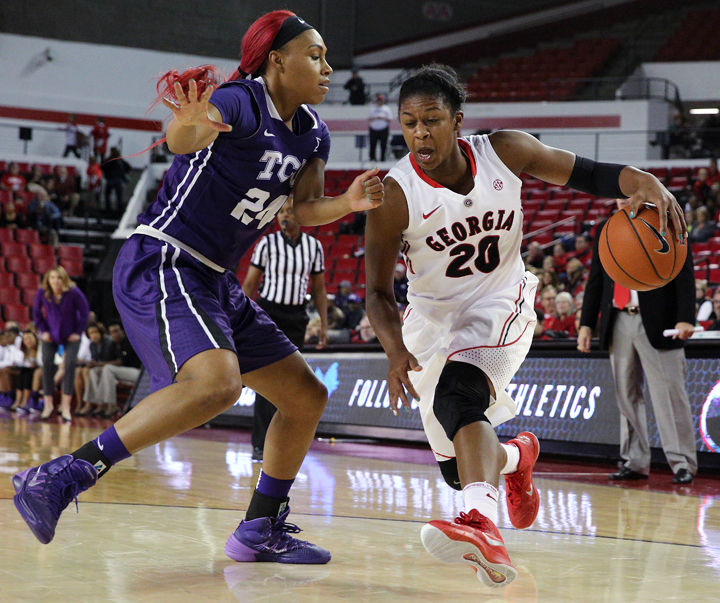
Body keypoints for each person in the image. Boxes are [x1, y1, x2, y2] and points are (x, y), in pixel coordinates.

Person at [12, 10, 382, 565]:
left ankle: (259, 527)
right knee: (216, 383)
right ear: (278, 60)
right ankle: (62, 474)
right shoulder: (241, 100)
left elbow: (302, 210)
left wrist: (348, 204)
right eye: (316, 55)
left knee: (306, 396)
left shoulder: (314, 132)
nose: (328, 67)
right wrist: (189, 120)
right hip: (164, 259)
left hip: (214, 279)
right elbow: (183, 138)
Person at [364, 64, 685, 588]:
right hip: (430, 320)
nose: (420, 132)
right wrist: (395, 349)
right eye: (409, 122)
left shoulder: (504, 151)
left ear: (457, 121)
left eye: (432, 120)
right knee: (457, 467)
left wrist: (639, 179)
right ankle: (518, 457)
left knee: (457, 399)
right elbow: (377, 292)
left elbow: (584, 172)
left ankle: (482, 525)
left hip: (500, 303)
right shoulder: (395, 193)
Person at [577, 198, 697, 485]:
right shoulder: (607, 229)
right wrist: (586, 323)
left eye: (628, 194)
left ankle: (682, 463)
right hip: (618, 319)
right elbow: (596, 278)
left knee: (669, 396)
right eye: (618, 195)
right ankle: (634, 461)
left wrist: (686, 317)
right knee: (626, 396)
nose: (622, 200)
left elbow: (684, 272)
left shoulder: (666, 223)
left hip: (660, 320)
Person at [241, 196, 328, 461]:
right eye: (280, 212)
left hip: (296, 316)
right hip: (268, 313)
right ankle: (259, 444)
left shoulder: (314, 247)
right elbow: (249, 283)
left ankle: (282, 445)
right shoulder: (266, 244)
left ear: (299, 216)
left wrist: (323, 324)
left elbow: (320, 288)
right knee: (267, 382)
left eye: (289, 211)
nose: (283, 216)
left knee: (290, 384)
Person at [32, 266, 90, 421]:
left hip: (70, 334)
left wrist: (78, 332)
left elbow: (85, 312)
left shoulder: (73, 292)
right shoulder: (42, 293)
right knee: (47, 364)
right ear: (48, 280)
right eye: (52, 278)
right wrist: (43, 330)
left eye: (58, 278)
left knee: (70, 365)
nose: (55, 281)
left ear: (64, 279)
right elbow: (36, 313)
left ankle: (65, 406)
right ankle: (48, 404)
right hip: (51, 334)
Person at [81, 321, 142, 417]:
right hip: (122, 373)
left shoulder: (129, 341)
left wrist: (98, 364)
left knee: (107, 368)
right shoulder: (115, 344)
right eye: (112, 332)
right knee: (94, 371)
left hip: (138, 374)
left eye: (117, 331)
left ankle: (111, 405)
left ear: (122, 330)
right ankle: (101, 404)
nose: (115, 334)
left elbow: (121, 362)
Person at [74, 322, 119, 417]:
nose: (93, 335)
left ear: (100, 332)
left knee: (94, 372)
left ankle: (98, 404)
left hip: (111, 368)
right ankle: (97, 403)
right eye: (91, 333)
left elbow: (109, 360)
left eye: (95, 332)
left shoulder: (109, 342)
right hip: (100, 368)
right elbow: (95, 360)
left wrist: (95, 364)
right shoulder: (92, 345)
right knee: (89, 371)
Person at [101, 147, 131, 212]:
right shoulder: (120, 160)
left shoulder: (109, 159)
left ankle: (108, 209)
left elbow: (102, 167)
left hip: (110, 180)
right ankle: (119, 210)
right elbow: (128, 167)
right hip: (119, 181)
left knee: (107, 195)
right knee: (119, 197)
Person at [368, 93, 393, 162]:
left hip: (383, 129)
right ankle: (372, 158)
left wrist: (382, 118)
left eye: (381, 100)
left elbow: (390, 119)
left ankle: (382, 158)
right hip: (374, 129)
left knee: (383, 144)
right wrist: (375, 118)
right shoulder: (373, 109)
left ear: (383, 101)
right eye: (378, 101)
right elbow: (369, 118)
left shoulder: (386, 109)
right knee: (373, 144)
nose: (379, 102)